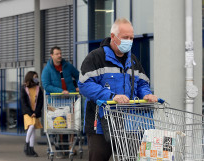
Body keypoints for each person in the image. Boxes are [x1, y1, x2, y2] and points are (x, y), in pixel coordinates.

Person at [78, 18, 158, 161]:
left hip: (128, 122)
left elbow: (142, 83)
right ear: (113, 37)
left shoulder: (133, 60)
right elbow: (84, 84)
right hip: (100, 124)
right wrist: (111, 96)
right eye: (125, 37)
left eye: (131, 38)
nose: (129, 41)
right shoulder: (96, 57)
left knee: (131, 157)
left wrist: (147, 95)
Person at [41, 46, 80, 158]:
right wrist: (61, 91)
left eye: (60, 53)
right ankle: (59, 148)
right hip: (55, 102)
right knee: (58, 125)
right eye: (57, 54)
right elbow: (46, 85)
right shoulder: (47, 70)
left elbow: (78, 75)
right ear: (51, 55)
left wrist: (76, 87)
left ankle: (69, 147)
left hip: (69, 100)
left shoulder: (67, 66)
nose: (59, 56)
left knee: (70, 125)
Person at [21, 71, 43, 157]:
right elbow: (24, 102)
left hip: (35, 112)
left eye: (37, 77)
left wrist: (36, 112)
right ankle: (26, 145)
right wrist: (30, 113)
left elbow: (40, 102)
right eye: (34, 77)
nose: (36, 78)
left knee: (33, 129)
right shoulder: (24, 88)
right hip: (27, 112)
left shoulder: (38, 88)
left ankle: (31, 149)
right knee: (32, 126)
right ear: (30, 78)